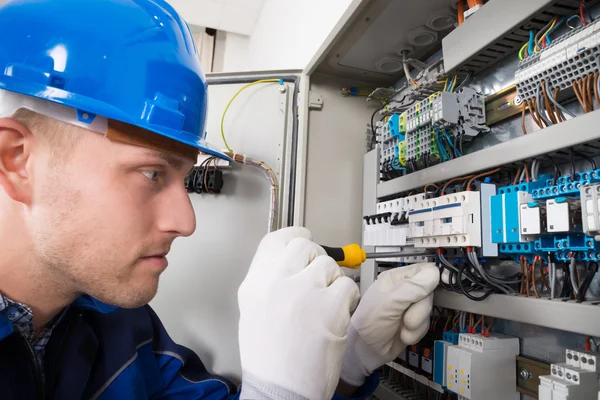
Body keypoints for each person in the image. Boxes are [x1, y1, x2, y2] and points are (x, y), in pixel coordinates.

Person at [0, 0, 440, 399]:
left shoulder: (122, 328)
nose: (186, 221)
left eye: (184, 178)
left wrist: (347, 366)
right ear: (18, 160)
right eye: (152, 173)